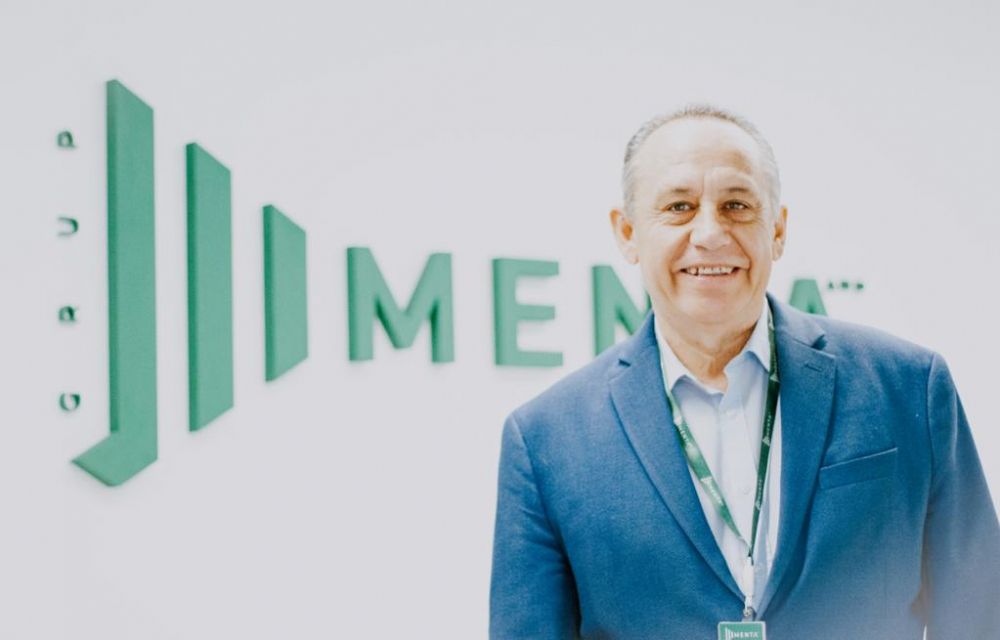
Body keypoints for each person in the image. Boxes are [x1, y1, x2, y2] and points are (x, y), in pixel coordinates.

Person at [488, 105, 1000, 639]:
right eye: (679, 207)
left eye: (736, 205)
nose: (710, 233)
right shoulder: (547, 441)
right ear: (628, 233)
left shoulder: (907, 387)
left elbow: (981, 617)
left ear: (777, 229)